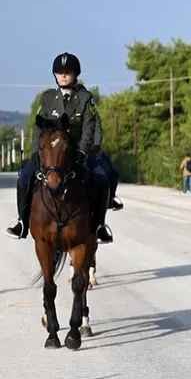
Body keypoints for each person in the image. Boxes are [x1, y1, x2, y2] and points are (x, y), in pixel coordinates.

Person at [6, 52, 114, 243]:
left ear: (75, 74)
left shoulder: (85, 98)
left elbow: (89, 127)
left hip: (78, 153)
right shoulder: (47, 98)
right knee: (23, 177)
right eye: (59, 72)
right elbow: (39, 128)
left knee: (102, 178)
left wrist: (83, 150)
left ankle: (99, 225)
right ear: (55, 75)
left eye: (68, 72)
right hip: (49, 154)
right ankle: (22, 222)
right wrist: (37, 153)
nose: (63, 75)